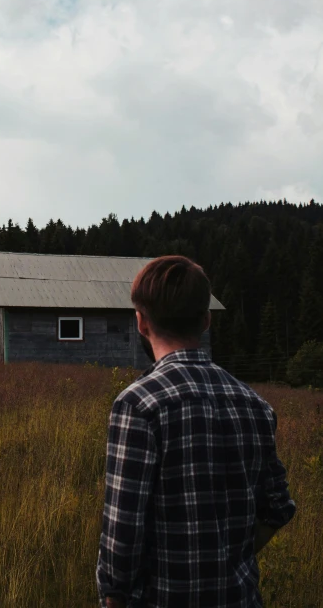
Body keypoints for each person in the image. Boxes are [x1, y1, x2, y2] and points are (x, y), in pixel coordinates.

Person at [96, 255, 296, 608]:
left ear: (141, 323)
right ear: (205, 321)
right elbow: (278, 508)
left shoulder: (139, 405)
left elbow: (122, 539)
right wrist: (227, 560)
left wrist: (114, 598)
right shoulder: (256, 405)